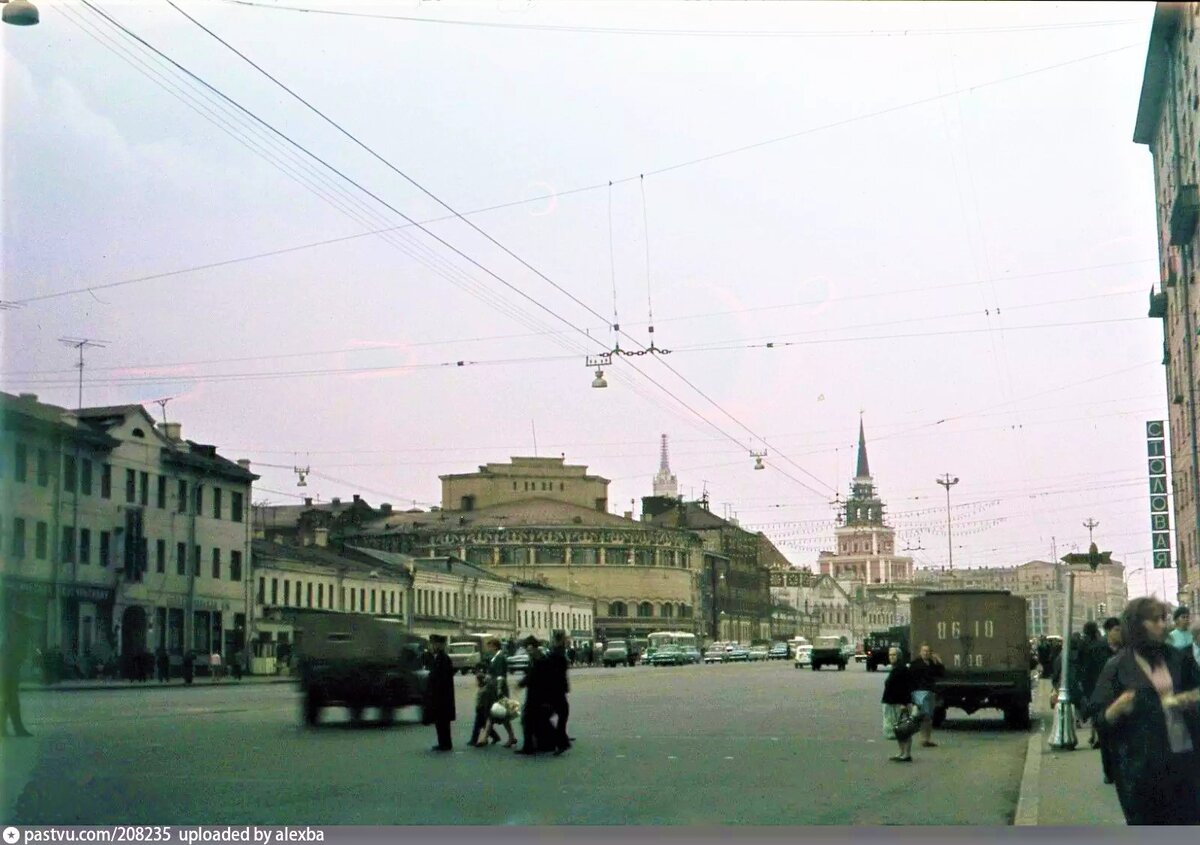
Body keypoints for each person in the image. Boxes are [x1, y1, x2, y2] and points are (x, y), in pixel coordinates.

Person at [1089, 597, 1200, 825]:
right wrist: (1117, 708)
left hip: (1185, 761)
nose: (1162, 624)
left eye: (1163, 618)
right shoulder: (1117, 667)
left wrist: (1188, 699)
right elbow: (1100, 719)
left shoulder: (1178, 658)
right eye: (1155, 620)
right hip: (1141, 769)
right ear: (1137, 626)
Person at [1097, 617, 1123, 784]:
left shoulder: (1126, 650)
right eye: (1116, 630)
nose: (1119, 633)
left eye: (1121, 630)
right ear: (1108, 631)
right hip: (1103, 700)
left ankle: (1122, 770)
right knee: (1105, 738)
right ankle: (1109, 772)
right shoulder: (1097, 650)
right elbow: (1089, 674)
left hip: (1121, 698)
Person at [1076, 621, 1110, 747]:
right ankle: (1097, 736)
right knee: (1101, 709)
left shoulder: (1082, 645)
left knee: (1094, 709)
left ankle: (1094, 736)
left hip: (1089, 681)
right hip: (1102, 679)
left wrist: (1080, 681)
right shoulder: (1102, 644)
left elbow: (1079, 664)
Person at [515, 636, 551, 755]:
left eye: (528, 648)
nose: (527, 651)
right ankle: (542, 744)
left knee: (527, 720)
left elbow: (533, 676)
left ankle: (529, 747)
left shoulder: (538, 659)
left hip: (537, 695)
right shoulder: (538, 657)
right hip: (538, 694)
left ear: (534, 647)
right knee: (538, 720)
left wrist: (521, 683)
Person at [422, 635, 456, 752]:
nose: (432, 646)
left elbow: (441, 679)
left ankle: (445, 744)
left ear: (440, 645)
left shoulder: (443, 659)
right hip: (440, 696)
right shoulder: (438, 658)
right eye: (432, 644)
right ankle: (443, 743)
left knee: (443, 722)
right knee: (440, 722)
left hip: (442, 696)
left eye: (434, 644)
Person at [1, 615, 32, 738]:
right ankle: (15, 729)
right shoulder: (16, 637)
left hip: (9, 672)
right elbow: (15, 655)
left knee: (9, 701)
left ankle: (8, 728)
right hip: (8, 672)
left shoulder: (11, 635)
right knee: (10, 701)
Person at [881, 646, 914, 762]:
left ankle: (907, 754)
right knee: (898, 729)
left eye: (894, 655)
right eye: (890, 655)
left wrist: (904, 703)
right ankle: (901, 752)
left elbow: (906, 687)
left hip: (900, 704)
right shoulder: (895, 668)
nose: (891, 657)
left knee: (904, 728)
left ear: (899, 656)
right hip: (891, 703)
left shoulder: (902, 669)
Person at [908, 643, 944, 748]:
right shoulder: (915, 664)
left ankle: (926, 739)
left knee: (928, 718)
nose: (925, 653)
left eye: (927, 651)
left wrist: (939, 661)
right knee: (922, 716)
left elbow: (941, 673)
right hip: (919, 693)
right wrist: (911, 693)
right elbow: (910, 679)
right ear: (920, 652)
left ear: (930, 653)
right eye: (924, 651)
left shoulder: (932, 664)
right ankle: (922, 738)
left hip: (930, 692)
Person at [484, 637, 517, 747]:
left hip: (498, 689)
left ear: (494, 646)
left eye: (489, 646)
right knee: (497, 713)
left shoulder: (499, 658)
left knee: (499, 713)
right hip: (494, 688)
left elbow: (500, 676)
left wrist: (498, 689)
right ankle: (511, 737)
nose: (488, 649)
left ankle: (485, 738)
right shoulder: (495, 657)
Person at [545, 631, 572, 755]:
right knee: (562, 713)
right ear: (561, 639)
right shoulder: (557, 653)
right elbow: (557, 672)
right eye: (566, 638)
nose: (568, 641)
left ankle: (561, 740)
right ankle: (560, 741)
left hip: (556, 688)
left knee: (560, 713)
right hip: (556, 688)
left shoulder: (557, 651)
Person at [467, 668, 501, 747]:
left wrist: (479, 708)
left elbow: (482, 701)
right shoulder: (483, 688)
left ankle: (474, 739)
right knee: (483, 724)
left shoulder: (483, 690)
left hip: (481, 709)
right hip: (482, 709)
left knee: (478, 725)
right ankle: (495, 737)